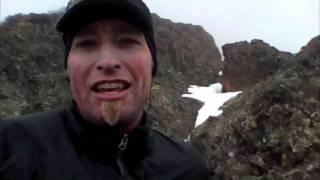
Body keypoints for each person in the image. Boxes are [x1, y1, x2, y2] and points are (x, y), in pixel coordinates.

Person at [0, 0, 208, 179]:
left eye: (127, 41)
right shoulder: (9, 149)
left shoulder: (188, 168)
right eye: (87, 44)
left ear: (153, 63)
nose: (107, 62)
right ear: (68, 69)